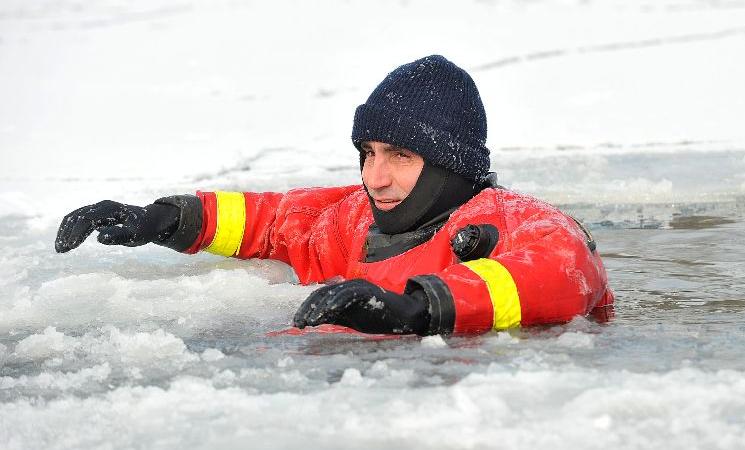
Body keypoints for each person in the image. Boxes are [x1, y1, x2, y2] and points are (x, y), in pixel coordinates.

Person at [55, 55, 614, 336]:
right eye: (368, 153)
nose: (375, 178)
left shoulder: (511, 219)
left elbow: (564, 273)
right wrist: (165, 219)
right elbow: (272, 221)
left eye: (400, 155)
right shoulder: (352, 216)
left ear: (450, 164)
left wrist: (423, 306)